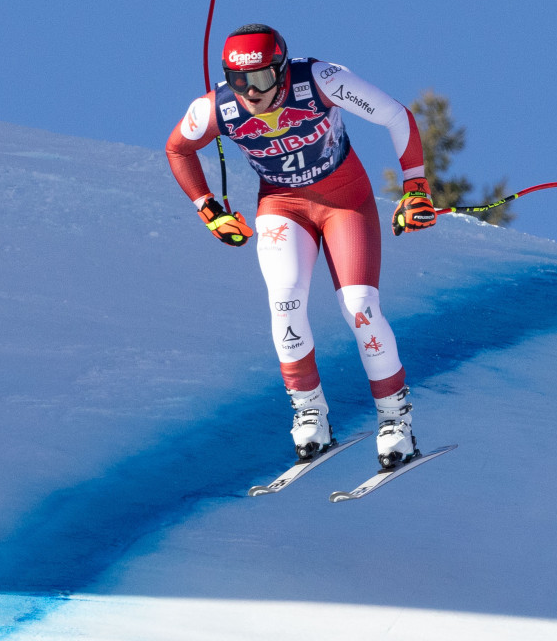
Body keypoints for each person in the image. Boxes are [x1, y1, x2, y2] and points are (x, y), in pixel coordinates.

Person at [165, 24, 437, 469]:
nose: (250, 93)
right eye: (238, 81)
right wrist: (208, 208)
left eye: (261, 80)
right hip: (281, 205)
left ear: (282, 69)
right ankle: (309, 412)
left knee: (360, 307)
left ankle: (395, 420)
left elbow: (395, 115)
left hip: (344, 201)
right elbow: (178, 149)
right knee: (285, 302)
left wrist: (416, 189)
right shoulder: (217, 108)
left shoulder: (321, 81)